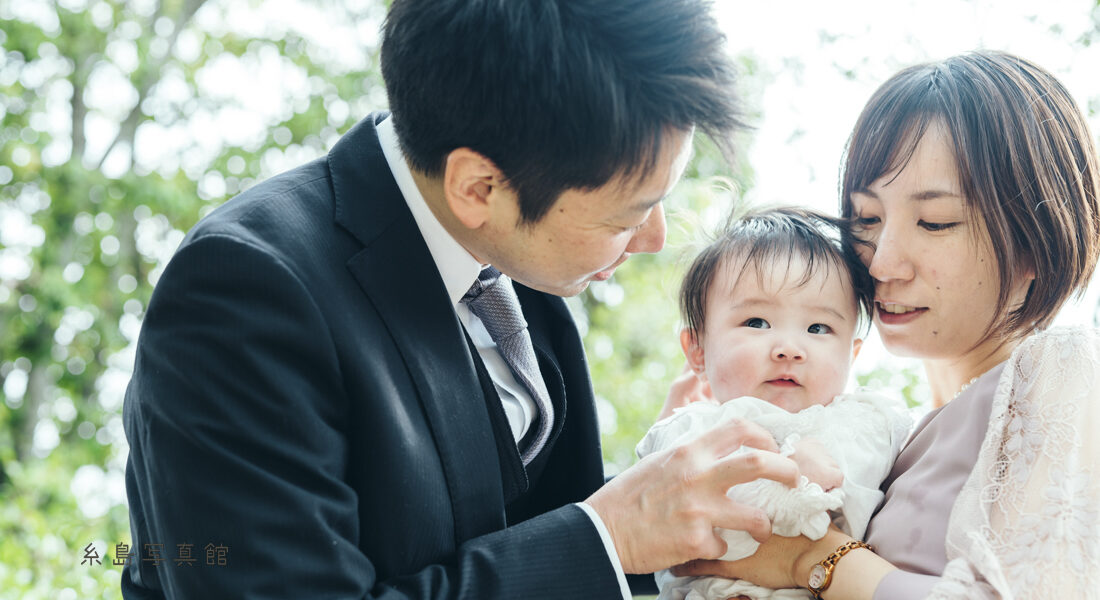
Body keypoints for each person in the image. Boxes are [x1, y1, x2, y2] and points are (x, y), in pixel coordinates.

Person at [121, 1, 805, 598]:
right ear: (478, 188)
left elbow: (506, 530)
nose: (654, 239)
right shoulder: (245, 292)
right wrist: (609, 535)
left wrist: (674, 499)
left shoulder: (517, 265)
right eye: (627, 216)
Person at [670, 51, 1100, 599]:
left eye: (935, 222)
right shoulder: (888, 441)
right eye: (867, 218)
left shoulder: (1066, 371)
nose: (881, 262)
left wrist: (812, 557)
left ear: (1032, 241)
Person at [636, 208, 910, 600]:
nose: (789, 349)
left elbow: (859, 489)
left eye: (818, 328)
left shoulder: (862, 422)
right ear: (697, 349)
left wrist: (807, 474)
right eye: (757, 322)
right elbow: (669, 519)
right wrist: (788, 474)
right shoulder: (688, 430)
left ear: (852, 354)